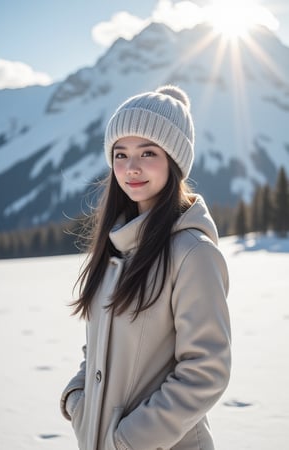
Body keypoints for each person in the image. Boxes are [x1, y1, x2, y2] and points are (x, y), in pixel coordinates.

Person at [60, 85, 231, 450]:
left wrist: (129, 441)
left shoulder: (193, 253)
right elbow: (99, 346)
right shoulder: (116, 247)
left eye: (148, 152)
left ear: (174, 160)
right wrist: (78, 398)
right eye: (120, 154)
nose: (131, 168)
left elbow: (206, 371)